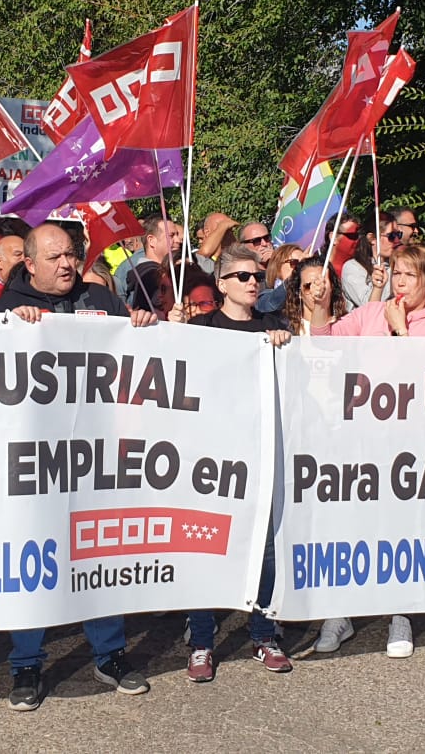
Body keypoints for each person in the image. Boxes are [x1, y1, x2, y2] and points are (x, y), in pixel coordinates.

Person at [0, 224, 156, 710]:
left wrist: (141, 325)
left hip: (95, 458)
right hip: (33, 464)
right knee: (32, 559)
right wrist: (9, 329)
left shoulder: (99, 299)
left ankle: (110, 654)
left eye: (71, 254)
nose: (67, 264)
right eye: (55, 257)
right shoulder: (5, 306)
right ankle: (26, 664)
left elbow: (134, 357)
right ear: (29, 264)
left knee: (97, 552)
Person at [315, 246, 425, 654]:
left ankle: (400, 615)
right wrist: (322, 304)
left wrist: (400, 332)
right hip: (361, 440)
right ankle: (340, 613)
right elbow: (325, 342)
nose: (399, 282)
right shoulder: (368, 314)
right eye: (396, 273)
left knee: (403, 529)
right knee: (354, 526)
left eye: (410, 275)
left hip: (412, 447)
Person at [167, 245, 293, 681]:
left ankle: (263, 635)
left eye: (257, 276)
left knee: (265, 551)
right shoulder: (200, 327)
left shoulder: (273, 326)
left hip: (260, 456)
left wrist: (283, 344)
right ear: (220, 284)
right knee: (204, 547)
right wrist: (169, 330)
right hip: (208, 459)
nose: (253, 282)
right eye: (242, 277)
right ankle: (202, 642)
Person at [113, 214, 181, 303]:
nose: (178, 240)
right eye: (171, 235)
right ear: (152, 241)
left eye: (177, 235)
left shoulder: (172, 270)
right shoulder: (148, 277)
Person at [282, 256, 344, 336]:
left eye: (322, 284)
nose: (316, 291)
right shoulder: (284, 329)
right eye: (308, 286)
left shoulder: (347, 325)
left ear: (332, 287)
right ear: (299, 292)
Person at [340, 228, 388, 312]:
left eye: (399, 234)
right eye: (391, 236)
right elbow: (366, 305)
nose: (397, 240)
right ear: (372, 238)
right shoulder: (353, 267)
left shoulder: (394, 264)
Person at [256, 242, 305, 313]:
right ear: (277, 267)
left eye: (304, 263)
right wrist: (295, 276)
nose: (301, 267)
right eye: (295, 263)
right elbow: (273, 303)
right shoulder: (265, 297)